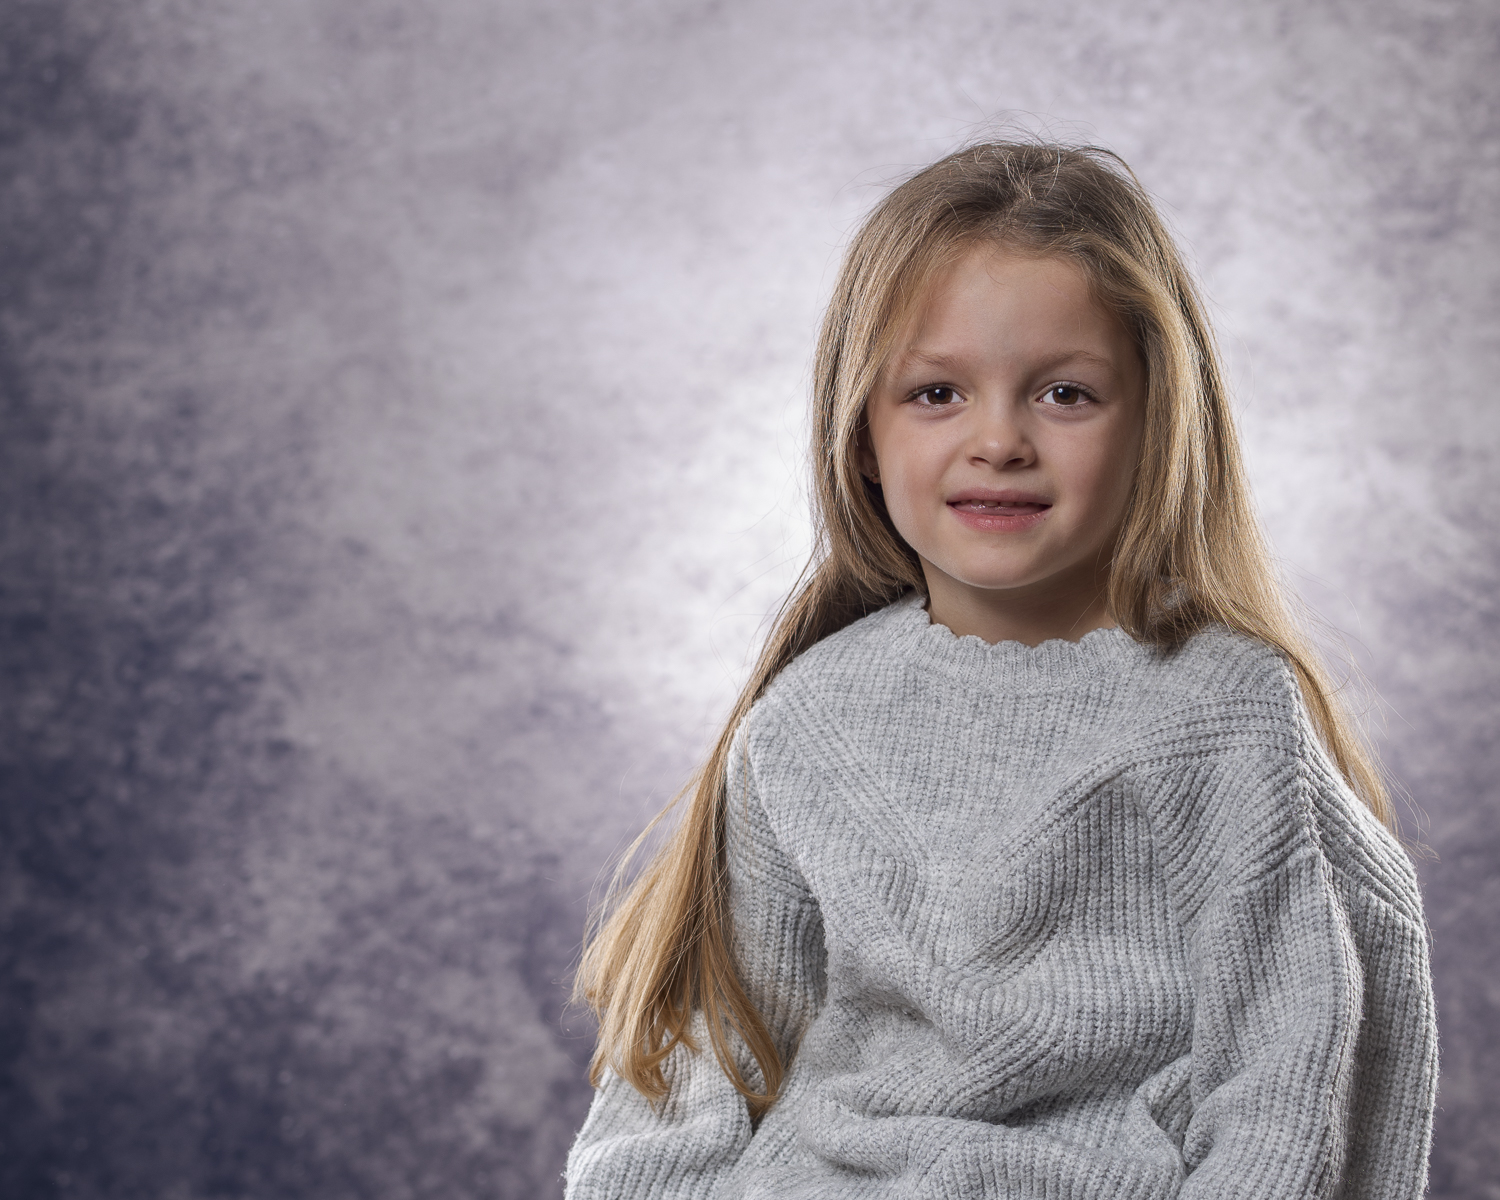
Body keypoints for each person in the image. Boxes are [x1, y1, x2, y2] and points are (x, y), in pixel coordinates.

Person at [564, 142, 1438, 1199]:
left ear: (1158, 423)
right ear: (863, 436)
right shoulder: (806, 720)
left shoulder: (1224, 713)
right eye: (937, 392)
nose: (999, 441)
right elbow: (708, 1055)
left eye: (1066, 394)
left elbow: (1282, 1083)